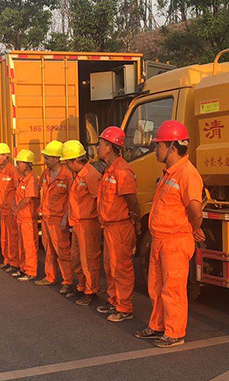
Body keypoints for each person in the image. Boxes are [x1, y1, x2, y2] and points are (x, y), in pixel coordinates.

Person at [135, 120, 204, 348]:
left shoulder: (187, 173)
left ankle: (175, 333)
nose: (155, 149)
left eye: (159, 145)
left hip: (175, 240)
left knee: (172, 289)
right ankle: (157, 326)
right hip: (161, 239)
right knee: (156, 287)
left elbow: (195, 209)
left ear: (172, 146)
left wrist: (194, 228)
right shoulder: (170, 173)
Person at [96, 127, 141, 323]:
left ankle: (124, 307)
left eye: (100, 144)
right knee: (110, 267)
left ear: (109, 147)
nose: (97, 147)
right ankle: (114, 301)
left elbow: (132, 202)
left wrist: (136, 222)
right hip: (109, 226)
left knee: (121, 267)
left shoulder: (122, 171)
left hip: (120, 227)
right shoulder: (110, 170)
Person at [61, 140, 102, 306]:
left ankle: (91, 291)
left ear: (76, 161)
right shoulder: (78, 175)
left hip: (88, 223)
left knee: (89, 259)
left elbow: (98, 200)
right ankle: (82, 286)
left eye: (68, 163)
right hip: (78, 222)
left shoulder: (91, 175)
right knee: (77, 258)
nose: (67, 166)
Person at [36, 140, 74, 294]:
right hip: (46, 217)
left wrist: (66, 217)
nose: (45, 160)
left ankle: (68, 281)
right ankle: (50, 276)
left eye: (48, 157)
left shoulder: (67, 176)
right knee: (49, 249)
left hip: (59, 219)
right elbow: (41, 190)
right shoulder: (45, 173)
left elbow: (72, 199)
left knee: (62, 251)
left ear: (57, 158)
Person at [12, 149, 39, 282]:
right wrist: (14, 206)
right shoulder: (23, 179)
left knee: (29, 245)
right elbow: (17, 196)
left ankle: (31, 270)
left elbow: (27, 199)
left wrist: (17, 208)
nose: (18, 166)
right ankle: (23, 268)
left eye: (20, 163)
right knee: (21, 244)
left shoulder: (31, 180)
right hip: (21, 217)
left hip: (28, 217)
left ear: (27, 164)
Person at [0, 143, 20, 274]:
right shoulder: (1, 171)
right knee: (4, 237)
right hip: (3, 209)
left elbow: (17, 189)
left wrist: (13, 205)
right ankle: (7, 260)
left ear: (6, 156)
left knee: (12, 236)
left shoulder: (12, 171)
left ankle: (14, 262)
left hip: (9, 210)